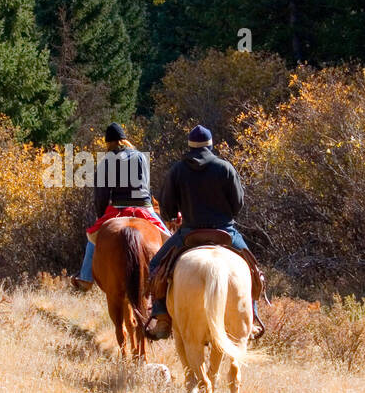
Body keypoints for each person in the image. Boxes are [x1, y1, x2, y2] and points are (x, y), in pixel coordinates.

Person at [145, 125, 263, 340]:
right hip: (225, 231)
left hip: (189, 233)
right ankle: (252, 318)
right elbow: (238, 204)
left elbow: (168, 206)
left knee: (155, 268)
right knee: (254, 270)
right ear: (210, 145)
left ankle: (162, 318)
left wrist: (176, 215)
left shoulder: (178, 170)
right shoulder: (225, 168)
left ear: (189, 146)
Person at [70, 124, 170, 291]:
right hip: (145, 206)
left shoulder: (107, 160)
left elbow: (101, 194)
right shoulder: (140, 157)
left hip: (119, 208)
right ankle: (171, 275)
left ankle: (85, 279)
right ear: (125, 139)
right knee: (169, 238)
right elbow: (145, 185)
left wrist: (101, 216)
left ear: (109, 143)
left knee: (92, 239)